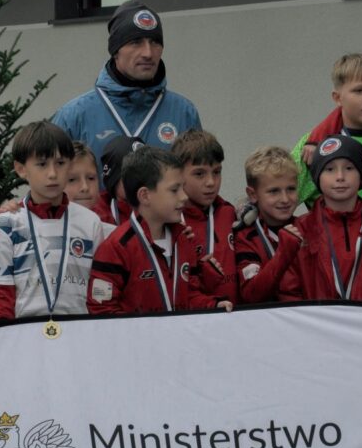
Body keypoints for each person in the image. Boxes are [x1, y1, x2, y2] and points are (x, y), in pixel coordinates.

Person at [0, 121, 114, 322]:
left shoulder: (90, 222)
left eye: (60, 163)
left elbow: (99, 284)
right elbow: (0, 289)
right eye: (42, 164)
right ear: (21, 169)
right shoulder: (5, 225)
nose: (53, 173)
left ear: (69, 165)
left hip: (80, 328)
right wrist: (8, 331)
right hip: (23, 330)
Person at [51, 0, 201, 163]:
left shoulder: (184, 113)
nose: (148, 53)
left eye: (154, 42)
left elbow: (200, 173)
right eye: (136, 42)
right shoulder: (73, 117)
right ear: (115, 51)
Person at [87, 147, 233, 315]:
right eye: (174, 190)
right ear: (145, 196)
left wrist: (213, 305)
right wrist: (146, 329)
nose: (184, 197)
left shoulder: (183, 239)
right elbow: (101, 309)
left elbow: (189, 296)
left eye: (183, 188)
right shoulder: (116, 248)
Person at [279, 136, 362, 302]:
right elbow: (289, 291)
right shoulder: (300, 229)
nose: (340, 176)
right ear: (317, 177)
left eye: (349, 168)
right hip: (317, 318)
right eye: (329, 169)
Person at [291, 53, 362, 218]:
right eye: (359, 90)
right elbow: (281, 197)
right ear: (338, 98)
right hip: (337, 234)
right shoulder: (315, 145)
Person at [172, 129, 238, 303]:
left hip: (233, 313)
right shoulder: (171, 221)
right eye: (199, 174)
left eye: (216, 172)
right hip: (192, 315)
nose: (211, 182)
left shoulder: (230, 213)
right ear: (178, 174)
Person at [234, 146, 304, 304]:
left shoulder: (306, 228)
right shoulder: (246, 238)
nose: (285, 199)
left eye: (291, 189)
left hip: (309, 317)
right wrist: (284, 252)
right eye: (274, 191)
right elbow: (251, 294)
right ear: (253, 194)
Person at [91, 135, 142, 226]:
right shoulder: (98, 215)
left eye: (146, 171)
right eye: (131, 174)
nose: (141, 179)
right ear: (113, 179)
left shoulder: (160, 206)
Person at [65, 141, 101, 211]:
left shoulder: (110, 217)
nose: (85, 187)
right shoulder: (47, 217)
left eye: (91, 178)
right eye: (72, 180)